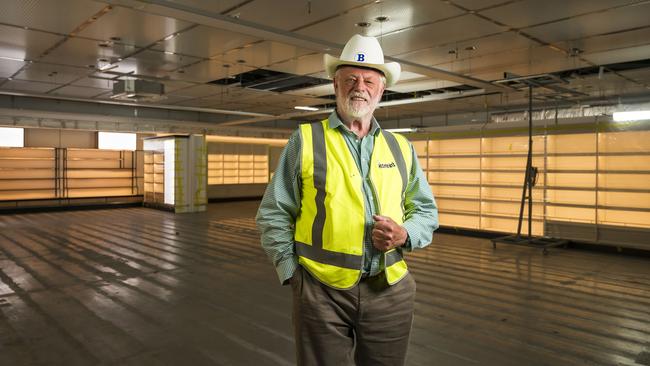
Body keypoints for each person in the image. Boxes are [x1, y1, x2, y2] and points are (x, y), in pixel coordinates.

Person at [256, 34, 438, 366]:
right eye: (350, 79)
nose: (360, 86)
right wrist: (292, 274)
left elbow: (425, 209)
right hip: (320, 291)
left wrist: (405, 234)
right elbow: (274, 211)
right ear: (335, 85)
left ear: (381, 90)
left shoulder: (400, 147)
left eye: (369, 80)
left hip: (390, 291)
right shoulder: (306, 140)